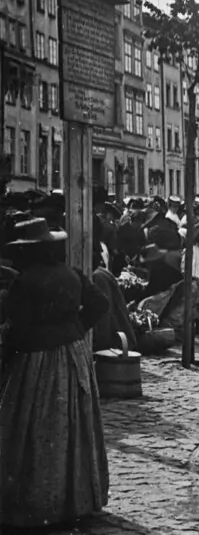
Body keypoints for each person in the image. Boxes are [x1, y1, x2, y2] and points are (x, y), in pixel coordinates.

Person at [0, 218, 110, 527]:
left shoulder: (25, 282)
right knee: (73, 422)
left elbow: (19, 329)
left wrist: (7, 358)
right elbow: (99, 304)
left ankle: (38, 501)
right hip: (74, 355)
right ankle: (77, 498)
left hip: (36, 359)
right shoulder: (71, 275)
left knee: (33, 426)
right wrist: (75, 328)